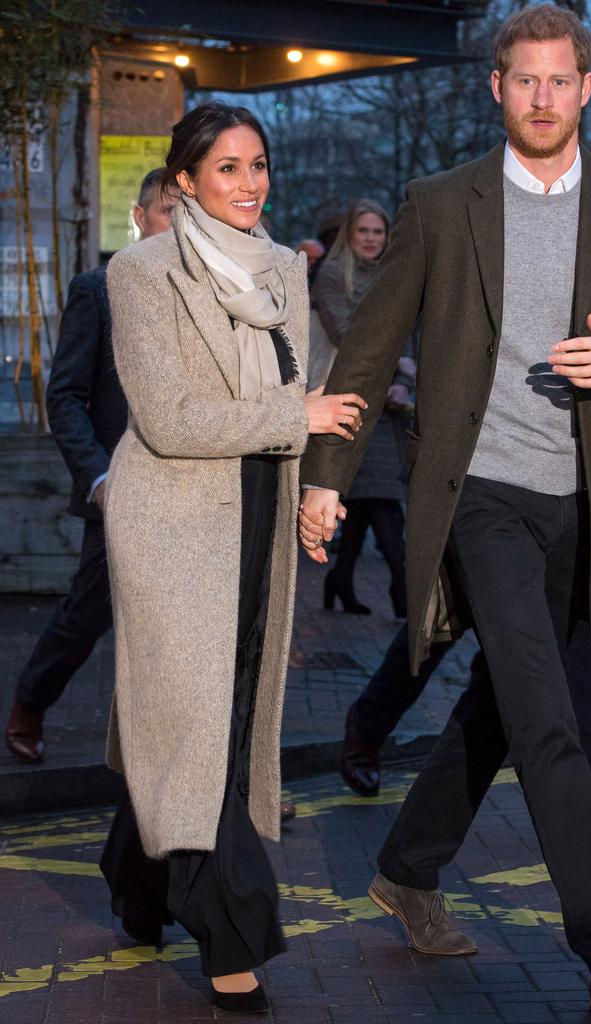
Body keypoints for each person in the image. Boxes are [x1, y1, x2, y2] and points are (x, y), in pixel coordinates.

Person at [299, 7, 591, 1012]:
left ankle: (407, 865)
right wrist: (324, 473)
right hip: (482, 496)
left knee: (501, 704)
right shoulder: (441, 203)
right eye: (522, 80)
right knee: (549, 718)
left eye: (558, 81)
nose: (541, 97)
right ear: (498, 88)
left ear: (584, 88)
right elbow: (365, 347)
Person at [99, 101, 365, 1014]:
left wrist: (314, 490)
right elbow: (169, 421)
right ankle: (233, 936)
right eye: (227, 169)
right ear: (184, 180)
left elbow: (317, 391)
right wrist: (297, 421)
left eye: (258, 165)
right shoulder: (140, 273)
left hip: (258, 506)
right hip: (171, 520)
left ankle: (137, 879)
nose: (249, 183)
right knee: (197, 715)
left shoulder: (289, 270)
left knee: (225, 707)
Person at [4, 169, 176, 765]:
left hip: (189, 487)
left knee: (187, 628)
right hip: (121, 486)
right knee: (91, 608)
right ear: (139, 216)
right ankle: (31, 698)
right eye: (167, 210)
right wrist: (98, 476)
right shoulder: (97, 289)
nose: (177, 223)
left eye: (187, 211)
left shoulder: (205, 296)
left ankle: (207, 766)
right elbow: (65, 396)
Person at [341, 620, 591, 814]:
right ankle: (367, 724)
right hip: (472, 517)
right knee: (434, 624)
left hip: (552, 519)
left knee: (576, 622)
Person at [312, 199, 412, 618]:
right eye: (363, 231)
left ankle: (341, 581)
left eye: (378, 232)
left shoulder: (393, 277)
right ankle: (405, 595)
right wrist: (398, 369)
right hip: (345, 404)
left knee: (371, 505)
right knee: (382, 505)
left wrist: (403, 386)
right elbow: (347, 335)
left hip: (384, 413)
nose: (371, 239)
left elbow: (406, 341)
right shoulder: (334, 275)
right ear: (349, 234)